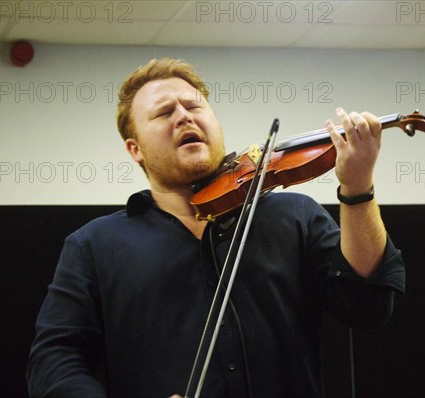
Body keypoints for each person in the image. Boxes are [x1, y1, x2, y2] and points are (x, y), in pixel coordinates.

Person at [26, 58, 405, 397]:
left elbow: (367, 305)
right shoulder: (95, 244)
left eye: (193, 106)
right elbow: (54, 359)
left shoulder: (294, 215)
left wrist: (357, 188)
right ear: (134, 149)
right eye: (163, 113)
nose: (184, 116)